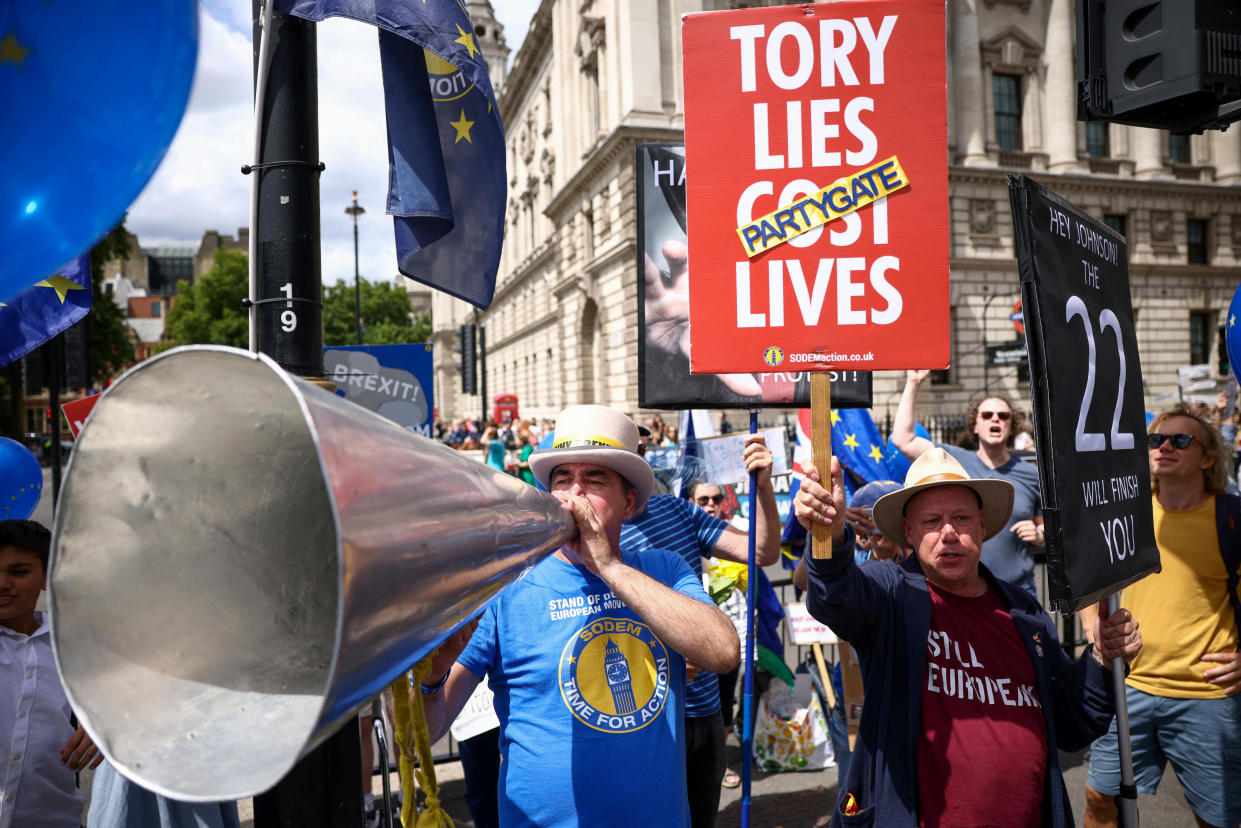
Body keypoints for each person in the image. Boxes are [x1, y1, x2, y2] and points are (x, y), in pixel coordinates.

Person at [423, 405, 739, 827]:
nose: (574, 494)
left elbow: (722, 651)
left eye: (594, 480)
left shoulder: (663, 569)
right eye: (562, 479)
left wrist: (607, 566)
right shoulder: (506, 587)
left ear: (629, 502)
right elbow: (425, 734)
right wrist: (428, 681)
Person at [794, 448, 1141, 827]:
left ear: (981, 526)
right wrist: (829, 534)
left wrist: (1103, 660)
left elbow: (1074, 723)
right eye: (931, 521)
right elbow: (836, 598)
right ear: (909, 532)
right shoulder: (891, 592)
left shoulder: (1024, 613)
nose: (948, 533)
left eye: (960, 518)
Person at [1083, 405, 1241, 828]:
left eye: (1181, 440)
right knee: (1099, 796)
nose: (1164, 447)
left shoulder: (1232, 518)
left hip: (1205, 696)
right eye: (1156, 440)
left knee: (1218, 816)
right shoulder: (1124, 511)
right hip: (1126, 686)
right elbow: (1088, 575)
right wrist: (1090, 624)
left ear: (1208, 458)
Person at [623, 435, 779, 827]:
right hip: (646, 716)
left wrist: (762, 487)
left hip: (705, 709)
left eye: (643, 453)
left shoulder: (676, 510)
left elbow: (763, 552)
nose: (639, 464)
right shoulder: (593, 538)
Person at [892, 369, 1045, 595]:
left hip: (1018, 591)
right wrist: (913, 383)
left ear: (1011, 427)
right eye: (987, 415)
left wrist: (1041, 534)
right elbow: (903, 440)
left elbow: (1054, 524)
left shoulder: (1030, 474)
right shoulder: (953, 461)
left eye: (1003, 416)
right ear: (975, 425)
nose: (995, 419)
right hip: (962, 591)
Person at [0, 519, 103, 827]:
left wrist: (105, 724)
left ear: (47, 577)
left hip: (54, 817)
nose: (2, 583)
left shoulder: (72, 641)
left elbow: (131, 693)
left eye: (18, 572)